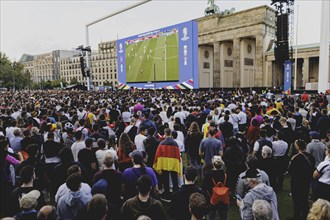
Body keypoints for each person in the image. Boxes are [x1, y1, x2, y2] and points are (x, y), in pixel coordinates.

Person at [288, 139, 315, 220]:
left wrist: (291, 162)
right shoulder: (311, 157)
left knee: (296, 200)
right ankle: (305, 215)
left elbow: (290, 171)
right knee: (304, 198)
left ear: (297, 147)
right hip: (306, 180)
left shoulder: (296, 158)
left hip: (296, 181)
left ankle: (296, 216)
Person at [153, 128, 181, 198]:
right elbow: (177, 154)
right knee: (174, 178)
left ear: (165, 134)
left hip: (164, 163)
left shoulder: (161, 143)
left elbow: (158, 154)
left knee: (166, 179)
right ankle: (176, 192)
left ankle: (167, 193)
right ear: (171, 133)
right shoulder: (175, 143)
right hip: (173, 163)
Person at [93, 152, 122, 218]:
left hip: (102, 202)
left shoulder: (98, 175)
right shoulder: (119, 174)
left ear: (104, 162)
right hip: (116, 200)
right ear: (113, 162)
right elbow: (122, 188)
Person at [202, 156, 227, 220]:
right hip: (223, 200)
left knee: (211, 216)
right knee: (223, 216)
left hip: (211, 199)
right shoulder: (225, 175)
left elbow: (204, 188)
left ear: (213, 164)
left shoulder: (208, 175)